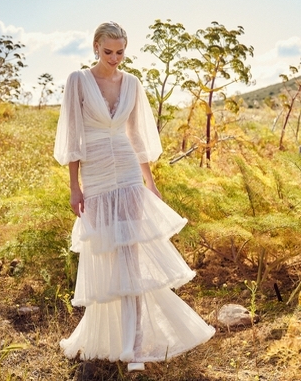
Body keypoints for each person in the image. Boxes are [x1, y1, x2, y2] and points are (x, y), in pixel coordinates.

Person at [54, 21, 215, 372]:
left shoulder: (132, 83)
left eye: (120, 52)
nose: (114, 58)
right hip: (96, 174)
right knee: (107, 258)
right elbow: (74, 137)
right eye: (108, 51)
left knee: (132, 257)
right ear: (95, 47)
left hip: (128, 172)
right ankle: (111, 336)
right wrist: (74, 186)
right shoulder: (78, 81)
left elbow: (136, 136)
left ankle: (136, 345)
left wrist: (149, 182)